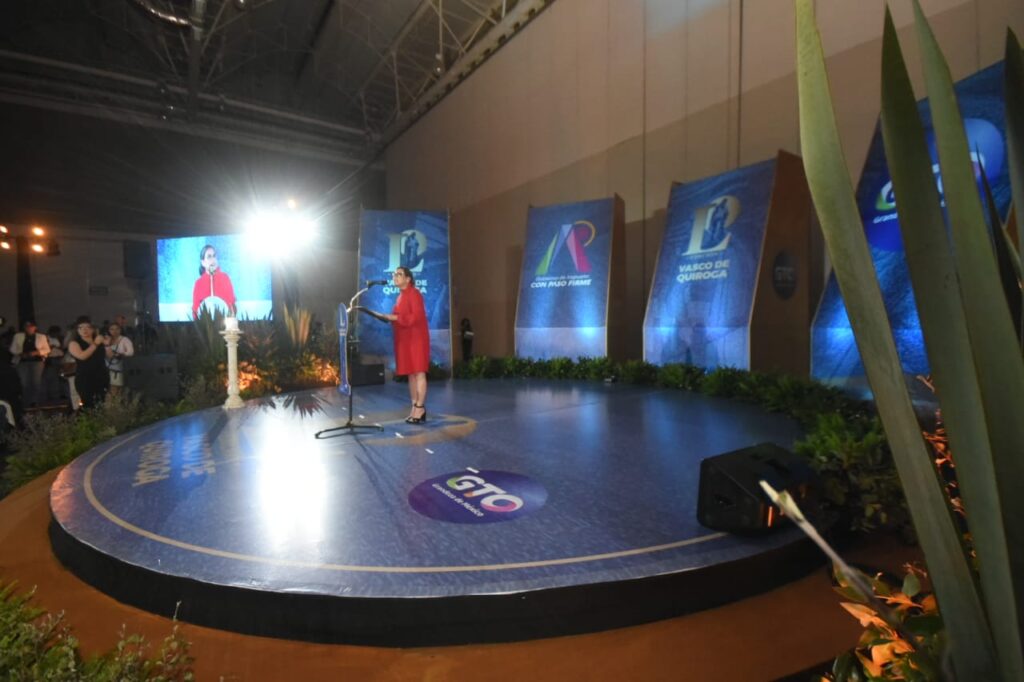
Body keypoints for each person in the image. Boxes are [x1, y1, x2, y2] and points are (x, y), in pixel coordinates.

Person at [361, 266, 430, 423]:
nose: (395, 276)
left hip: (417, 339)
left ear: (408, 279)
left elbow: (416, 317)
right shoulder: (399, 297)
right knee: (411, 374)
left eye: (399, 274)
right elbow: (397, 317)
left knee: (419, 372)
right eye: (394, 274)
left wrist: (394, 318)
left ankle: (420, 408)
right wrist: (385, 317)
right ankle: (415, 407)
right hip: (405, 339)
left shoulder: (415, 294)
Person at [67, 317, 109, 409]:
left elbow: (109, 356)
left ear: (93, 329)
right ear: (77, 330)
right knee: (89, 404)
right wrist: (95, 344)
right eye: (81, 328)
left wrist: (107, 344)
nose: (84, 330)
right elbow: (82, 356)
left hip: (101, 375)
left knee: (101, 403)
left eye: (88, 327)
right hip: (85, 377)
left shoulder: (98, 341)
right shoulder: (74, 343)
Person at [9, 320, 50, 407]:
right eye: (27, 326)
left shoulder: (41, 337)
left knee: (36, 381)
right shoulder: (18, 336)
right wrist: (20, 353)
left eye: (31, 326)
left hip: (37, 361)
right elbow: (12, 349)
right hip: (22, 362)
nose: (29, 328)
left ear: (35, 327)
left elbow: (47, 349)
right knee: (24, 382)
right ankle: (26, 401)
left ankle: (34, 401)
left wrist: (37, 352)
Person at [191, 244, 236, 318]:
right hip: (206, 324)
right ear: (203, 262)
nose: (213, 259)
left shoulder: (225, 278)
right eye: (209, 257)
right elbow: (195, 311)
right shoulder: (198, 283)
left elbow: (232, 305)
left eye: (214, 256)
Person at [105, 322, 135, 395]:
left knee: (117, 390)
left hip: (119, 369)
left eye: (117, 329)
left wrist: (120, 354)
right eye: (112, 329)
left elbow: (131, 352)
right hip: (108, 369)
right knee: (110, 390)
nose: (114, 331)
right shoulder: (107, 339)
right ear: (108, 330)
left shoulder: (125, 340)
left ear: (120, 330)